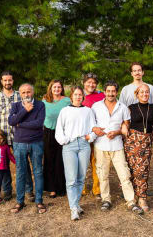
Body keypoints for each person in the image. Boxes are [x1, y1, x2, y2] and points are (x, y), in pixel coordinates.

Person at [92, 81, 144, 215]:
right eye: (108, 91)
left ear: (117, 92)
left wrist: (117, 132)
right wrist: (95, 129)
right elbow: (92, 124)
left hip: (117, 145)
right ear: (104, 92)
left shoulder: (123, 108)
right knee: (102, 174)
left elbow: (126, 127)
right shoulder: (96, 106)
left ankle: (131, 201)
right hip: (100, 145)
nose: (110, 93)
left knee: (124, 174)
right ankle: (106, 199)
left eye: (113, 91)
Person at [0, 71, 34, 202]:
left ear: (13, 81)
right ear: (1, 81)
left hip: (18, 136)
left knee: (23, 164)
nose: (7, 82)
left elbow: (27, 115)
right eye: (5, 80)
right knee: (3, 166)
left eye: (10, 80)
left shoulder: (20, 97)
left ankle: (28, 190)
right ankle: (7, 190)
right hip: (1, 139)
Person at [55, 86, 97, 221]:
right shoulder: (65, 111)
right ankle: (73, 208)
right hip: (70, 146)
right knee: (71, 178)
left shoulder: (88, 111)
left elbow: (94, 128)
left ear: (83, 97)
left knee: (81, 176)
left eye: (80, 95)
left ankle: (76, 204)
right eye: (76, 94)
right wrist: (65, 140)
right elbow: (59, 130)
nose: (78, 97)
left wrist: (90, 137)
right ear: (71, 96)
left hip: (84, 145)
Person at [8, 83, 46, 214]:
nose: (26, 95)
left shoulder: (40, 105)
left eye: (28, 92)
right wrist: (25, 110)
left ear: (33, 92)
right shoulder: (16, 106)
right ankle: (20, 201)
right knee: (20, 173)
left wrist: (20, 124)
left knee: (38, 172)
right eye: (23, 92)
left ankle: (39, 201)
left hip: (36, 143)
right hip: (20, 144)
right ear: (20, 94)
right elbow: (11, 122)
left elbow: (39, 123)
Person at [124, 84, 153, 212]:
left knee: (143, 169)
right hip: (132, 141)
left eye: (147, 92)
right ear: (137, 94)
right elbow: (125, 123)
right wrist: (123, 129)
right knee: (132, 169)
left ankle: (142, 197)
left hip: (146, 141)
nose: (144, 94)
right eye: (141, 92)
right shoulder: (131, 108)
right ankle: (132, 196)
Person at [42, 80, 70, 198]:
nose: (57, 89)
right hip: (48, 132)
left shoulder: (67, 101)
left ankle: (61, 187)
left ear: (62, 88)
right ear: (51, 88)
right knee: (49, 160)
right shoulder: (45, 100)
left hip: (62, 132)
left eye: (59, 87)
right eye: (55, 87)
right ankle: (51, 188)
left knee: (61, 160)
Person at [81, 73, 105, 199]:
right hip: (83, 134)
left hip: (98, 134)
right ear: (84, 83)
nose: (91, 85)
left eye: (94, 82)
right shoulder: (79, 95)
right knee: (82, 162)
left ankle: (97, 189)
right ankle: (81, 188)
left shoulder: (101, 95)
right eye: (88, 82)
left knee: (97, 162)